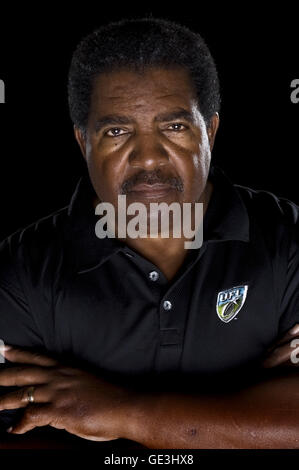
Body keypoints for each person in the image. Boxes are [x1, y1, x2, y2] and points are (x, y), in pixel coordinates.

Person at [0, 17, 298, 449]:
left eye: (174, 127)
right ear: (83, 142)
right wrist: (245, 405)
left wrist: (120, 411)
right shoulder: (21, 275)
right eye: (117, 131)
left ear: (209, 132)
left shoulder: (288, 240)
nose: (148, 159)